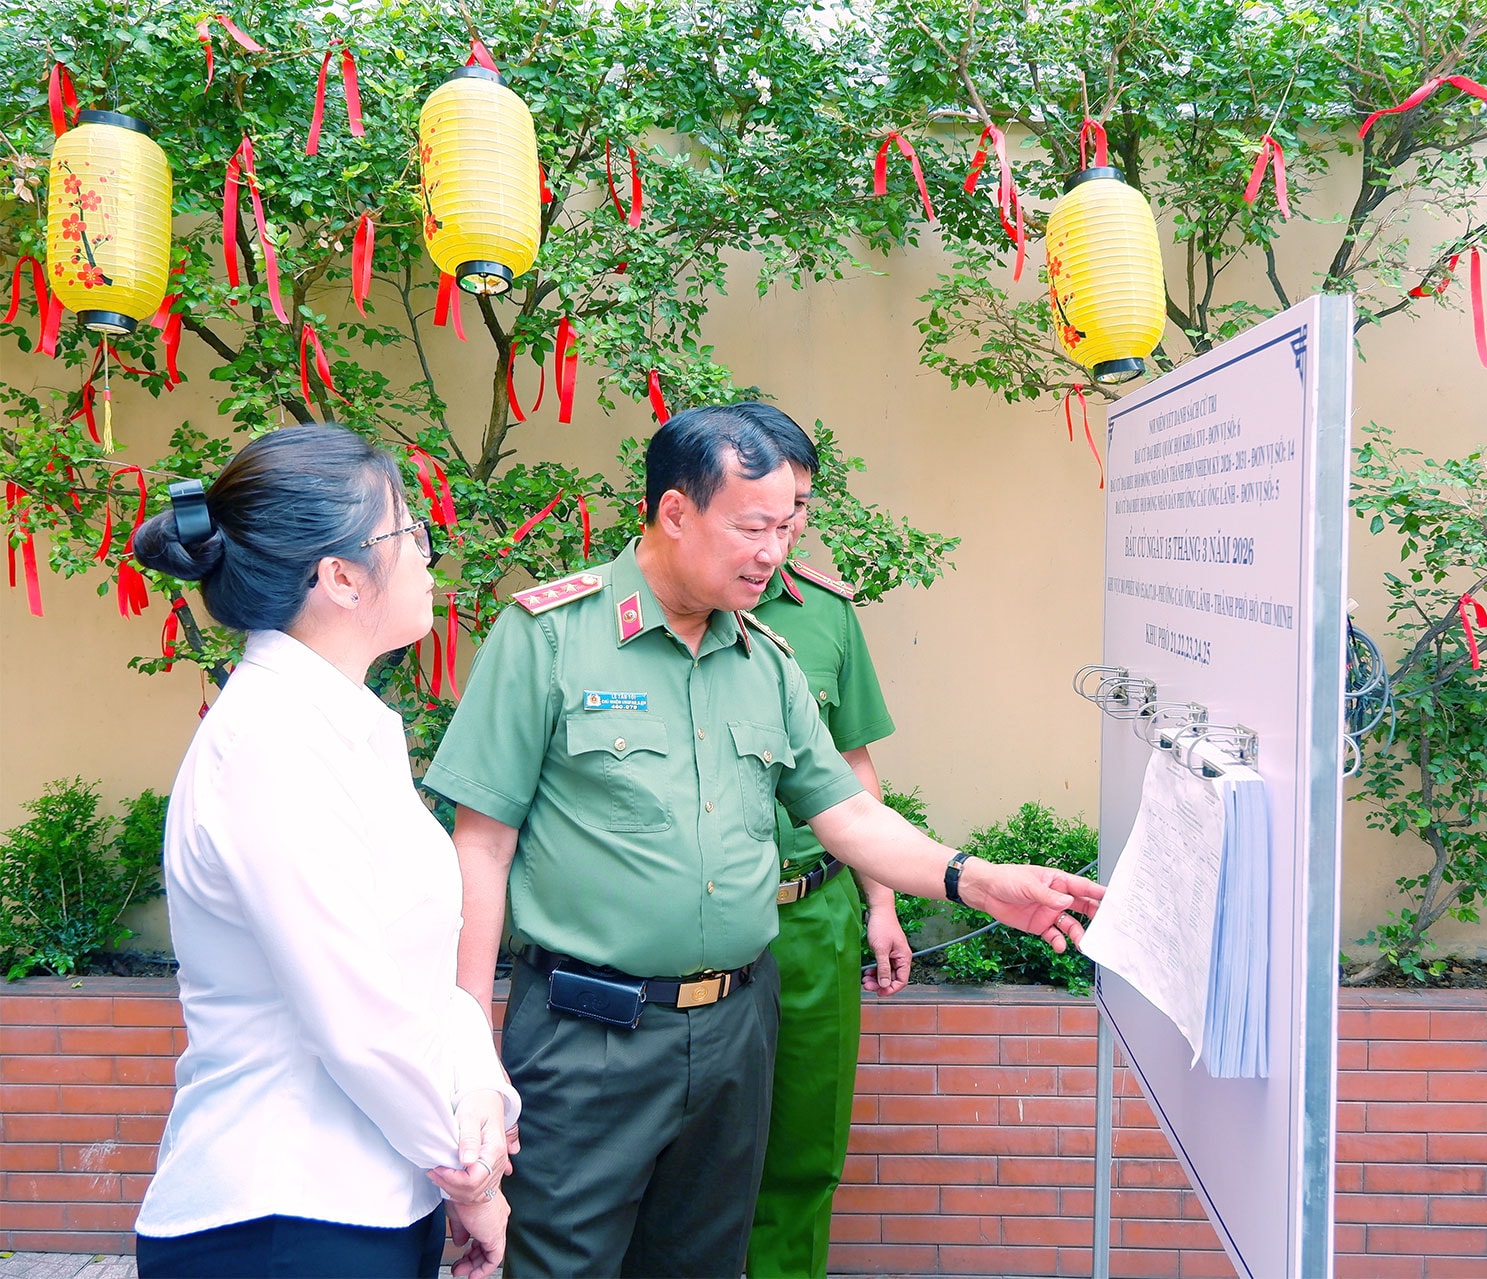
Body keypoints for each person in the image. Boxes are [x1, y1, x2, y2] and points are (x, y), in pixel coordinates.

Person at [425, 403, 1101, 1279]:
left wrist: (975, 880)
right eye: (752, 527)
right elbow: (481, 846)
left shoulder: (768, 660)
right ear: (674, 512)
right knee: (559, 1263)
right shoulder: (549, 637)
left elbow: (848, 814)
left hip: (738, 1029)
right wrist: (469, 1041)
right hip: (587, 1036)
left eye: (788, 525)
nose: (774, 551)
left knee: (704, 1261)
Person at [130, 424, 518, 1279]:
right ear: (340, 577)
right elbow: (358, 1019)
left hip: (366, 1202)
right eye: (407, 531)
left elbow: (420, 973)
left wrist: (482, 1093)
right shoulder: (271, 742)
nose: (426, 553)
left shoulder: (341, 730)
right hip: (283, 1216)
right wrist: (472, 1180)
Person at [736, 406, 911, 1279]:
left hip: (812, 918)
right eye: (771, 502)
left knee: (803, 1154)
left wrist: (881, 902)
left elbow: (853, 764)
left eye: (801, 502)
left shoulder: (827, 615)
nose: (789, 522)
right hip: (694, 926)